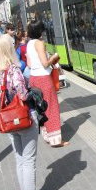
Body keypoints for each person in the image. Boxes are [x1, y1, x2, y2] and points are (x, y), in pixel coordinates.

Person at [0, 34, 42, 190]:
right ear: (7, 49)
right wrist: (32, 91)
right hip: (24, 117)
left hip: (9, 120)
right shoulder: (13, 69)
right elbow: (23, 95)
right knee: (29, 162)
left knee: (19, 161)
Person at [26, 20, 69, 148]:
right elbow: (45, 63)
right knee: (51, 108)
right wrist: (54, 58)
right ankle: (56, 140)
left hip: (33, 78)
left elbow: (29, 64)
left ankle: (47, 136)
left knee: (41, 108)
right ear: (40, 31)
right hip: (44, 79)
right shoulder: (40, 43)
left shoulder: (29, 44)